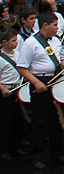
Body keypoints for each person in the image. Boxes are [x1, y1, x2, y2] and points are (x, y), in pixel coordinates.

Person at [17, 11, 64, 169]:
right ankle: (37, 155)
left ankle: (58, 153)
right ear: (45, 25)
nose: (58, 28)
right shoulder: (31, 43)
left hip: (55, 80)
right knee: (40, 121)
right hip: (40, 82)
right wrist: (36, 82)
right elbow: (22, 67)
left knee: (56, 120)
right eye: (55, 25)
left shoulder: (55, 40)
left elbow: (59, 59)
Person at [0, 28, 24, 161]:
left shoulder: (18, 54)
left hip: (18, 89)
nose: (16, 43)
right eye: (13, 41)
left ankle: (15, 145)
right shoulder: (1, 58)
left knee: (17, 120)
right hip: (6, 92)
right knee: (5, 121)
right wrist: (2, 89)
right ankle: (4, 148)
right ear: (4, 42)